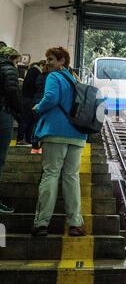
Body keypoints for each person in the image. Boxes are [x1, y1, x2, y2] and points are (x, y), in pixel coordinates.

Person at [32, 47, 87, 237]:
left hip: (55, 132)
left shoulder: (53, 77)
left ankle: (42, 223)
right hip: (78, 134)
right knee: (71, 177)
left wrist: (38, 107)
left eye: (52, 59)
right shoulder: (75, 79)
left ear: (62, 61)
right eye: (47, 59)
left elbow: (51, 98)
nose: (48, 62)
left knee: (51, 174)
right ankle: (75, 223)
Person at [0, 47, 22, 214]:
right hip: (3, 113)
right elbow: (13, 92)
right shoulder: (9, 69)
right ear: (12, 58)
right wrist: (20, 113)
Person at [17, 60, 46, 147]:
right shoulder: (35, 71)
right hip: (28, 99)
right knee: (26, 119)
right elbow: (35, 85)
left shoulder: (32, 71)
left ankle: (26, 139)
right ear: (41, 65)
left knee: (29, 120)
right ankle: (21, 139)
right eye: (45, 67)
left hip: (27, 98)